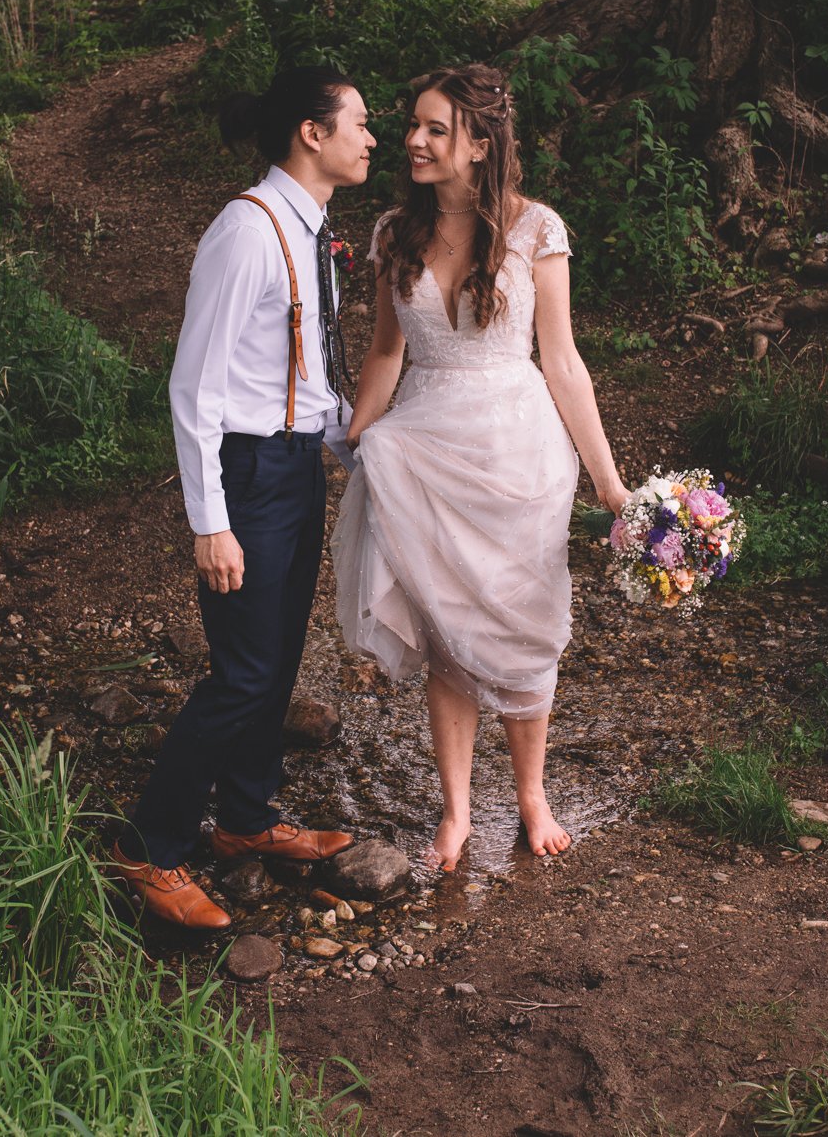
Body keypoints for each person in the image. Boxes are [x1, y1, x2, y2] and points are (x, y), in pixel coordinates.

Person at [333, 64, 627, 873]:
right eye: (414, 127)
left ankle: (532, 797)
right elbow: (387, 352)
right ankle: (458, 812)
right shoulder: (396, 231)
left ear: (480, 142)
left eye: (435, 129)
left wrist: (609, 483)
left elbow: (563, 363)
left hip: (519, 451)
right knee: (446, 631)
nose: (414, 142)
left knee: (523, 625)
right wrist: (355, 435)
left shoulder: (537, 230)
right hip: (426, 447)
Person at [111, 67, 373, 929]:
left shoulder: (312, 229)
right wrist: (210, 522)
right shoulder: (248, 231)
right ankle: (149, 848)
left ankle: (248, 821)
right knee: (243, 674)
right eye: (359, 124)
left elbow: (302, 375)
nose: (371, 139)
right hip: (248, 477)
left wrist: (362, 448)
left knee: (280, 657)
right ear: (311, 132)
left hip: (297, 467)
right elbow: (196, 387)